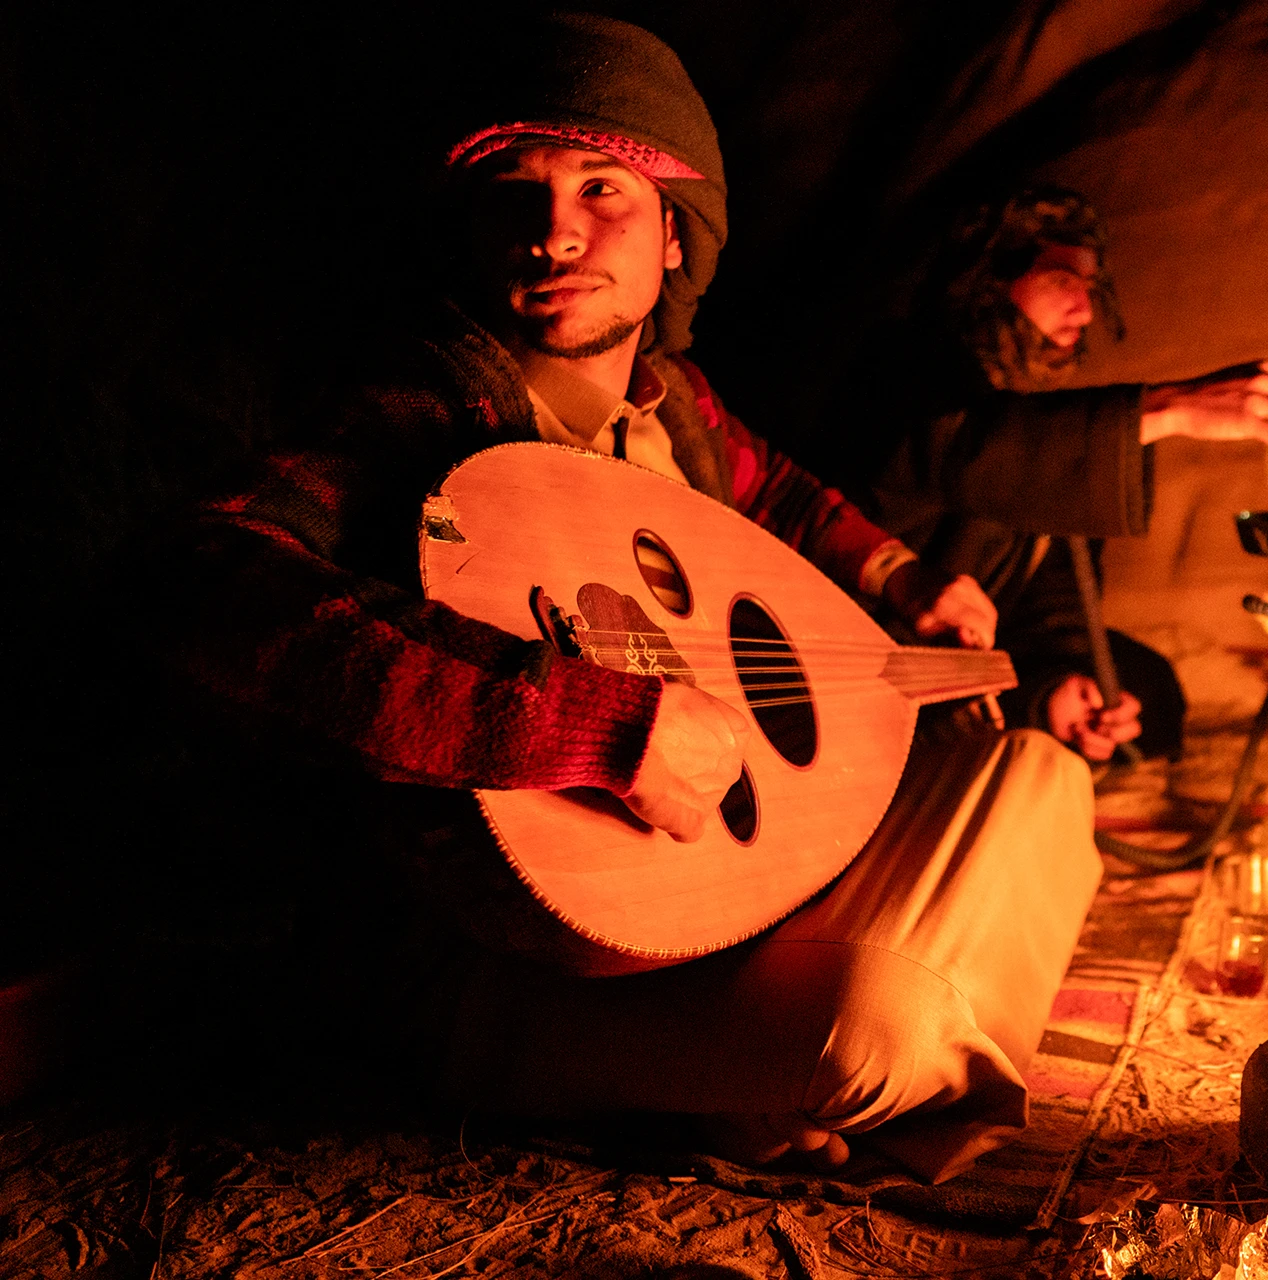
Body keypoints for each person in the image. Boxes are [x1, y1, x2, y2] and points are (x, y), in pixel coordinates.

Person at [169, 13, 1102, 1184]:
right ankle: (747, 1075)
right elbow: (208, 585)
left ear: (675, 234)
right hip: (503, 961)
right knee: (887, 1029)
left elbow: (791, 496)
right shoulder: (417, 420)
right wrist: (586, 723)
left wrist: (894, 570)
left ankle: (735, 1066)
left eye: (601, 186)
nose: (554, 230)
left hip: (708, 899)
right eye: (514, 191)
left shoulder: (678, 407)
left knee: (1033, 771)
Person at [846, 187, 1268, 762]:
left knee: (1143, 684)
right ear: (991, 278)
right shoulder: (899, 370)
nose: (1085, 308)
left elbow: (1052, 605)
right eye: (1060, 281)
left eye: (1090, 287)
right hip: (857, 665)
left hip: (961, 662)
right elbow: (963, 453)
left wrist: (1060, 688)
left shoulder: (1033, 417)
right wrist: (1165, 409)